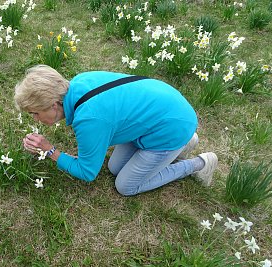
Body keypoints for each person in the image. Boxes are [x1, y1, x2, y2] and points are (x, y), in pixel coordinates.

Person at [14, 65, 218, 196]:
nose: (35, 119)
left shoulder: (89, 119)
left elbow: (87, 172)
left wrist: (50, 151)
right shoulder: (78, 82)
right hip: (168, 108)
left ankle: (199, 164)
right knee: (114, 167)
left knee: (126, 186)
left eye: (35, 113)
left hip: (173, 125)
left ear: (53, 105)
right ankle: (186, 141)